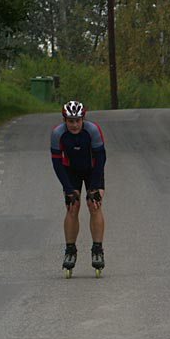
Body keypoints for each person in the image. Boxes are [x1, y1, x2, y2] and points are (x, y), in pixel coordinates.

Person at [50, 100, 106, 275]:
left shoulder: (93, 130)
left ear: (83, 119)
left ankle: (97, 249)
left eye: (77, 121)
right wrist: (68, 189)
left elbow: (101, 159)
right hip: (71, 172)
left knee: (94, 205)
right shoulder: (57, 134)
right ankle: (70, 250)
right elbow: (57, 164)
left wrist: (95, 187)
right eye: (70, 121)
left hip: (92, 170)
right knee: (72, 206)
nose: (74, 125)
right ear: (64, 120)